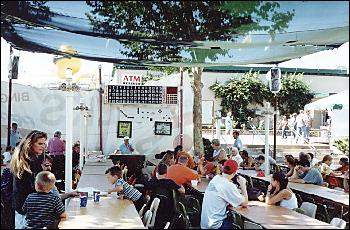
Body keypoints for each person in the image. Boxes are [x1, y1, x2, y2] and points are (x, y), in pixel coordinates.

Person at [10, 130, 48, 229]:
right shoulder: (30, 160)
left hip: (21, 207)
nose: (43, 146)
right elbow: (34, 186)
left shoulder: (23, 158)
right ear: (30, 144)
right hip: (28, 209)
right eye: (40, 143)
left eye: (44, 143)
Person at [200, 160, 248, 229]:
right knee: (240, 225)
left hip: (205, 224)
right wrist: (243, 186)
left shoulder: (216, 178)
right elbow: (245, 203)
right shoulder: (228, 185)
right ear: (235, 172)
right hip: (216, 226)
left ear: (223, 169)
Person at [145, 163, 185, 228]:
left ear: (156, 172)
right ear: (166, 173)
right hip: (167, 212)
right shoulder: (170, 182)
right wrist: (181, 185)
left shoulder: (151, 182)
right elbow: (182, 191)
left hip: (152, 210)